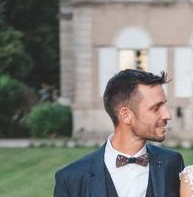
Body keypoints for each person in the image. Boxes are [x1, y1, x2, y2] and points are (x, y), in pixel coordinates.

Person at [54, 69, 184, 197]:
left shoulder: (172, 163)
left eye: (165, 105)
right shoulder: (71, 179)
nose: (168, 115)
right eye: (156, 108)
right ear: (126, 115)